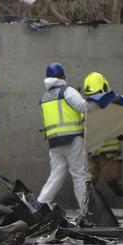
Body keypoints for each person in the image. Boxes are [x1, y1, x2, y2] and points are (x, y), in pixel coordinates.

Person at [38, 63, 109, 208]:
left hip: (54, 143)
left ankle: (39, 205)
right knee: (79, 175)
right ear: (62, 76)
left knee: (55, 176)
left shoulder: (44, 97)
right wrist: (101, 104)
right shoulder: (67, 91)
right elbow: (83, 107)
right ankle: (85, 210)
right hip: (72, 140)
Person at [82, 71, 123, 209]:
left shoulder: (114, 103)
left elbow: (122, 125)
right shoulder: (86, 107)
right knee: (88, 183)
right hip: (92, 152)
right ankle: (87, 208)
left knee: (114, 181)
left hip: (110, 152)